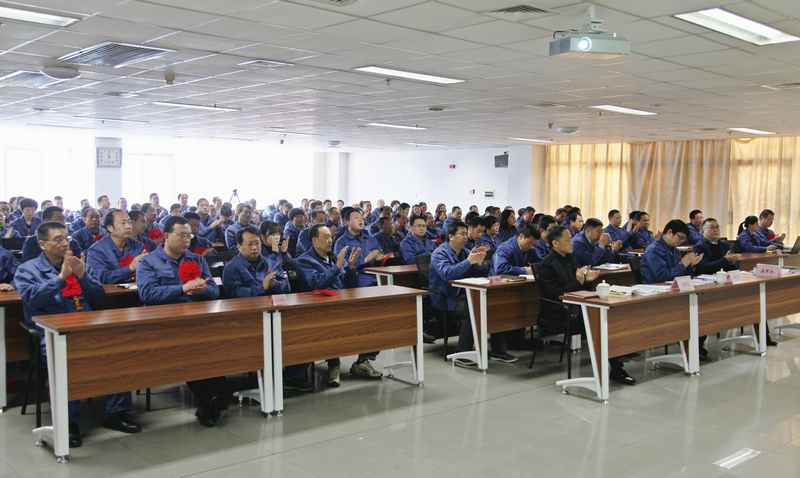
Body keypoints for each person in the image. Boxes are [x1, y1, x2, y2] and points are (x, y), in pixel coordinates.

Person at [14, 222, 141, 447]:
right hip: (51, 332)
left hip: (87, 326)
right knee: (66, 358)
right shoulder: (27, 269)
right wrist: (60, 279)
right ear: (42, 244)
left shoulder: (78, 263)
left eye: (67, 238)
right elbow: (31, 299)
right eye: (58, 239)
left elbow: (99, 297)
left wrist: (83, 276)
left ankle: (115, 412)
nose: (65, 243)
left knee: (120, 350)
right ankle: (68, 422)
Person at [136, 216, 231, 427]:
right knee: (194, 348)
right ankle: (210, 399)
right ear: (166, 236)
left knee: (215, 342)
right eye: (182, 235)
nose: (187, 240)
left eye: (189, 236)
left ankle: (215, 396)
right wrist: (182, 288)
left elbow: (214, 290)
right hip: (165, 323)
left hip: (197, 320)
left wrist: (201, 289)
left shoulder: (196, 259)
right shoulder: (148, 262)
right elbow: (147, 294)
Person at [537, 225, 635, 385]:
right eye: (568, 240)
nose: (572, 243)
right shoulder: (547, 264)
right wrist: (579, 281)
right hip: (559, 311)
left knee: (610, 314)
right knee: (600, 321)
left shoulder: (570, 258)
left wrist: (588, 280)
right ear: (555, 243)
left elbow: (578, 285)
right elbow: (555, 294)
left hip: (577, 305)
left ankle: (618, 354)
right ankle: (616, 368)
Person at [430, 220, 515, 364]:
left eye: (466, 234)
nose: (465, 237)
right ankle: (462, 353)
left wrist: (481, 262)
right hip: (446, 298)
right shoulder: (439, 253)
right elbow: (448, 274)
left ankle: (498, 350)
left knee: (494, 304)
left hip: (465, 294)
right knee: (474, 308)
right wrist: (469, 261)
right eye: (462, 234)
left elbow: (479, 272)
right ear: (451, 236)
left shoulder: (465, 251)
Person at [295, 224, 360, 387]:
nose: (330, 241)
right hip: (319, 310)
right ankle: (334, 364)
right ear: (314, 240)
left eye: (331, 237)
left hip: (341, 304)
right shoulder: (304, 261)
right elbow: (316, 284)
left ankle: (363, 361)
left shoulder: (333, 258)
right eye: (325, 237)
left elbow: (350, 285)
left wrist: (351, 268)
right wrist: (337, 267)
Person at [223, 225, 290, 297]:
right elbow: (235, 293)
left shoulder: (271, 263)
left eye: (257, 243)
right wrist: (262, 287)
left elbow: (287, 288)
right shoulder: (231, 268)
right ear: (239, 246)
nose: (254, 248)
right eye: (250, 244)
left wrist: (275, 284)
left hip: (272, 303)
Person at [86, 209, 147, 284]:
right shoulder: (96, 251)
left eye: (129, 222)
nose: (128, 226)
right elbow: (102, 278)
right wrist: (130, 268)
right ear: (110, 228)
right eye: (123, 223)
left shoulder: (138, 246)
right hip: (108, 291)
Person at [333, 208, 384, 288]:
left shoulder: (370, 238)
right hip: (357, 280)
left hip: (377, 275)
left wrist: (380, 258)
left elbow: (379, 253)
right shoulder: (341, 243)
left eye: (361, 218)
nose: (361, 220)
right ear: (347, 222)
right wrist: (365, 260)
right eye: (356, 218)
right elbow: (343, 269)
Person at [641, 220, 703, 284]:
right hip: (654, 286)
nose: (681, 241)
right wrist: (683, 264)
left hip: (670, 286)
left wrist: (690, 265)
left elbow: (681, 275)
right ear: (669, 232)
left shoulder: (675, 250)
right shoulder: (654, 250)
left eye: (684, 240)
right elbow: (662, 277)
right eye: (680, 237)